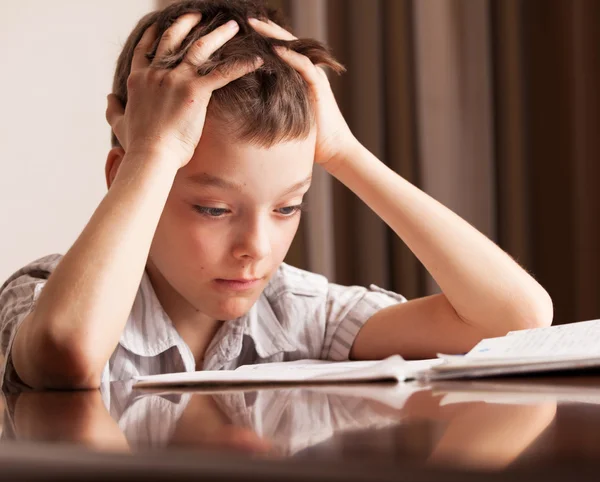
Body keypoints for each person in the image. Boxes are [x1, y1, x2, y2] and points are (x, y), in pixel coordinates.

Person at [0, 0, 552, 391]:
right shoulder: (44, 294)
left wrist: (345, 153)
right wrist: (152, 155)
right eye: (214, 209)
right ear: (126, 177)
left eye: (287, 207)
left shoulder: (296, 312)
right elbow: (65, 355)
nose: (256, 249)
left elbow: (515, 319)